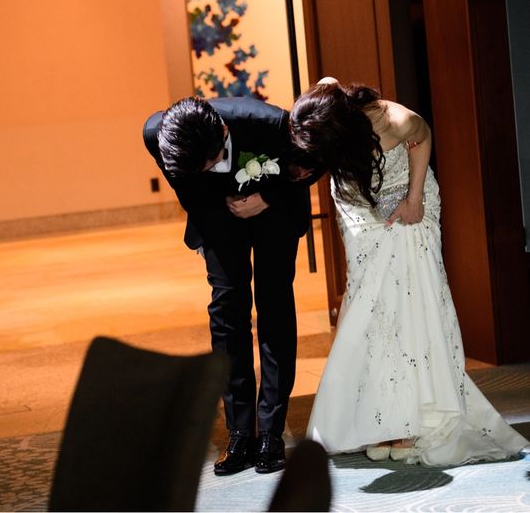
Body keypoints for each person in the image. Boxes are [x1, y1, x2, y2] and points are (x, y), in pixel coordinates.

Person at [289, 77, 529, 465]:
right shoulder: (327, 99)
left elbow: (424, 137)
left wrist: (414, 198)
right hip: (357, 205)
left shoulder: (394, 122)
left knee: (407, 305)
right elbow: (328, 87)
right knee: (369, 304)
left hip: (407, 199)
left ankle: (410, 418)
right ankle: (378, 416)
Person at [143, 96, 311, 475]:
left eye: (211, 162)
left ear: (223, 131)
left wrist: (266, 197)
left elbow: (312, 161)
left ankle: (270, 431)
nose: (209, 170)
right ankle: (240, 432)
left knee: (273, 305)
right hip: (217, 217)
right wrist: (215, 216)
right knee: (226, 313)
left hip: (273, 210)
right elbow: (186, 185)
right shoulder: (157, 135)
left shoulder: (268, 122)